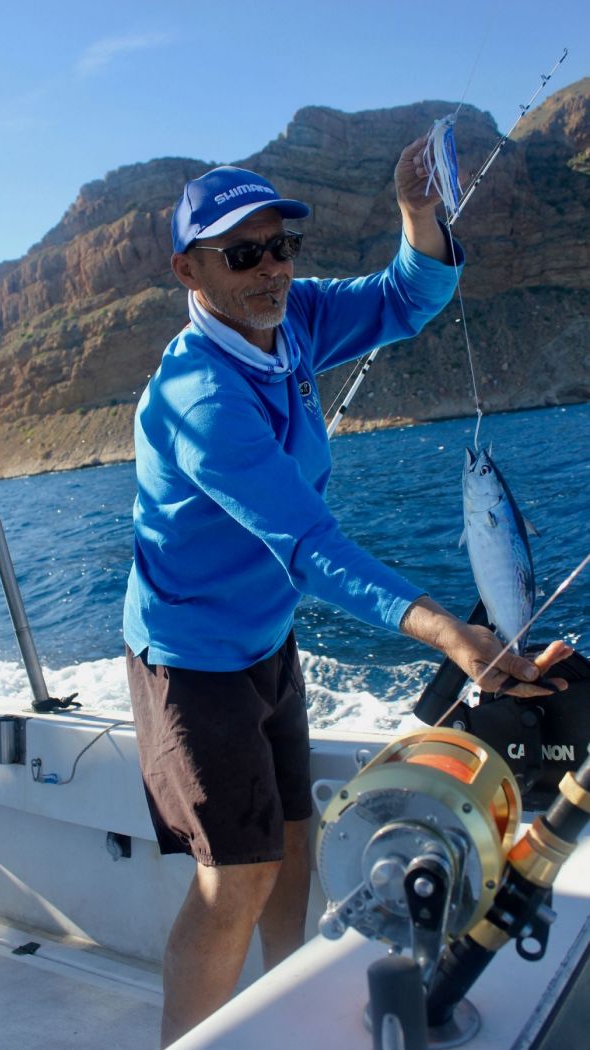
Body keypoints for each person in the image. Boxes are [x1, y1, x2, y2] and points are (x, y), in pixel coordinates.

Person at [123, 138, 570, 1046]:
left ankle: (279, 1007)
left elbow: (412, 296)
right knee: (236, 877)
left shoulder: (292, 323)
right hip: (191, 662)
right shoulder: (197, 398)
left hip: (266, 641)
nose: (272, 268)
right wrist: (452, 633)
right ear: (189, 269)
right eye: (242, 254)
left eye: (281, 245)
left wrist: (414, 210)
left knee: (291, 841)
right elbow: (310, 548)